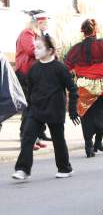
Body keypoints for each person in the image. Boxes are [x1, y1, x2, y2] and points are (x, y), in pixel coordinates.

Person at [12, 34, 79, 180]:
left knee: (58, 140)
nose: (35, 50)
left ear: (49, 50)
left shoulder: (60, 68)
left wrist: (73, 110)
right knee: (28, 137)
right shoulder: (34, 69)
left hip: (55, 110)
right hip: (36, 110)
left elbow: (73, 89)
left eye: (39, 48)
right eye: (34, 47)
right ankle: (23, 169)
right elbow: (30, 92)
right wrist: (28, 110)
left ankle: (65, 168)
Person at [64, 19, 103, 157]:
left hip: (84, 87)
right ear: (96, 30)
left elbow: (66, 67)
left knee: (87, 116)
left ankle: (89, 146)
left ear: (83, 31)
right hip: (102, 86)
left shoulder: (75, 49)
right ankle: (98, 141)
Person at [16, 10, 52, 150]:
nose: (46, 26)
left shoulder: (36, 35)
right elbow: (32, 51)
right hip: (25, 74)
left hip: (33, 75)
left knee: (35, 107)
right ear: (38, 23)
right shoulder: (27, 34)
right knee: (29, 107)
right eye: (45, 23)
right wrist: (47, 50)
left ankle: (35, 138)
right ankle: (26, 139)